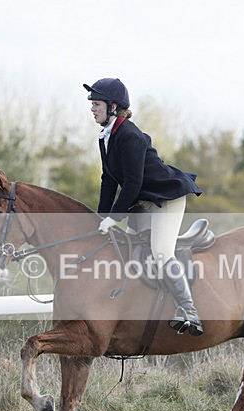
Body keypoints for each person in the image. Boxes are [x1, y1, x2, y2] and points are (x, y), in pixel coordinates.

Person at [84, 77, 204, 336]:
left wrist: (114, 217)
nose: (92, 108)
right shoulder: (106, 137)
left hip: (165, 198)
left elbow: (132, 183)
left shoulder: (130, 135)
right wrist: (100, 218)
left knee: (160, 253)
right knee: (129, 249)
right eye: (92, 104)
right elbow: (108, 181)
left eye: (96, 104)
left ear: (113, 107)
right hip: (141, 201)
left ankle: (190, 312)